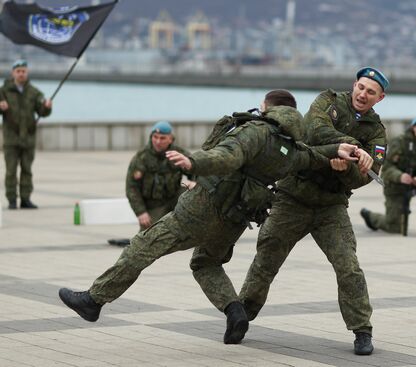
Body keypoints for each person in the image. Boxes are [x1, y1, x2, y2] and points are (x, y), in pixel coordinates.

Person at [57, 90, 371, 346]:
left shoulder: (256, 131)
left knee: (143, 247)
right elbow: (315, 157)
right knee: (205, 263)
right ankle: (235, 312)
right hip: (234, 221)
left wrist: (192, 162)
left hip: (200, 208)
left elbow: (226, 156)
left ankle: (94, 301)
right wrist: (336, 149)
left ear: (266, 107)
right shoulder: (289, 148)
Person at [238, 67, 388, 355]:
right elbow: (312, 130)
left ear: (380, 98)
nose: (363, 94)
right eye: (361, 87)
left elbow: (363, 178)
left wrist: (345, 169)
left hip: (330, 206)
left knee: (348, 267)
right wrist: (350, 149)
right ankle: (242, 315)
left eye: (371, 92)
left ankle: (362, 330)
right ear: (354, 85)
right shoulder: (327, 102)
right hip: (293, 196)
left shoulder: (378, 134)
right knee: (266, 258)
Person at [360, 114, 416, 236]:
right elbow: (387, 168)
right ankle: (371, 217)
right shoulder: (400, 141)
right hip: (396, 185)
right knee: (394, 227)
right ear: (413, 128)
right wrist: (400, 176)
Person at [107, 121, 195, 247]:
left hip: (174, 198)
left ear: (170, 139)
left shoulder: (179, 154)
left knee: (192, 192)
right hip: (154, 205)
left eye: (162, 138)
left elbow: (197, 172)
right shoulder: (141, 158)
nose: (158, 141)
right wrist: (141, 212)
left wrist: (195, 183)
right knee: (148, 238)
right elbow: (132, 188)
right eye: (155, 137)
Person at [0, 59, 52, 209]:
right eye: (18, 71)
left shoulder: (34, 92)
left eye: (23, 71)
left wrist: (47, 107)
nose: (21, 74)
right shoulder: (3, 91)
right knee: (11, 171)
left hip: (28, 138)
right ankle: (11, 199)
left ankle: (25, 199)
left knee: (27, 170)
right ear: (13, 73)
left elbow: (42, 112)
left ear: (27, 73)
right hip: (11, 139)